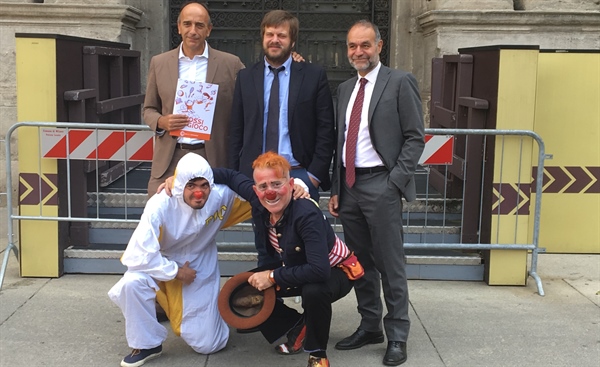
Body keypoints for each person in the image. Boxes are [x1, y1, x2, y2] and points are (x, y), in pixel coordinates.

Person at [327, 20, 425, 366]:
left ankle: (397, 334)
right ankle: (370, 326)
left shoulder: (399, 82)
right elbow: (342, 144)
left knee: (390, 264)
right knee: (360, 263)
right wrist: (337, 189)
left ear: (379, 46)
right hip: (350, 187)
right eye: (353, 46)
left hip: (382, 184)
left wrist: (395, 182)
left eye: (365, 45)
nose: (358, 52)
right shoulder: (344, 90)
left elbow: (415, 137)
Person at [108, 152, 258, 367]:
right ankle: (146, 342)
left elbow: (262, 192)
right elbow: (139, 255)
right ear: (179, 186)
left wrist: (298, 186)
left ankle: (211, 312)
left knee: (210, 344)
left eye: (204, 185)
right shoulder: (160, 204)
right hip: (160, 260)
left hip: (199, 264)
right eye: (191, 186)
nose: (199, 193)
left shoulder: (221, 196)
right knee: (131, 284)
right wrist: (175, 272)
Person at [214, 151, 355, 367]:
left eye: (276, 184)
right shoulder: (258, 199)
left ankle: (317, 355)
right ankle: (298, 326)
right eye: (263, 186)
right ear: (255, 190)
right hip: (295, 265)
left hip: (337, 271)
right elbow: (230, 176)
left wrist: (271, 276)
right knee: (242, 287)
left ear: (290, 184)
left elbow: (319, 270)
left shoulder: (306, 214)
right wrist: (182, 178)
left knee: (314, 290)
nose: (270, 192)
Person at [228, 9, 335, 202]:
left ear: (292, 41)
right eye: (270, 34)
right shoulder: (245, 78)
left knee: (302, 231)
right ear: (263, 38)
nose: (274, 40)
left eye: (281, 35)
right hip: (257, 177)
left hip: (299, 175)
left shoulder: (313, 76)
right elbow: (236, 130)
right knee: (262, 233)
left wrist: (313, 178)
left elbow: (325, 130)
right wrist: (236, 177)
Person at [143, 1, 244, 196]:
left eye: (199, 25)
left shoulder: (230, 64)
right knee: (163, 218)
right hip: (171, 158)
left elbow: (254, 92)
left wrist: (290, 61)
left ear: (209, 30)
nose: (193, 31)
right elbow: (148, 109)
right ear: (179, 27)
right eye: (187, 24)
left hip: (212, 156)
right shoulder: (159, 63)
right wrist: (162, 121)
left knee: (207, 221)